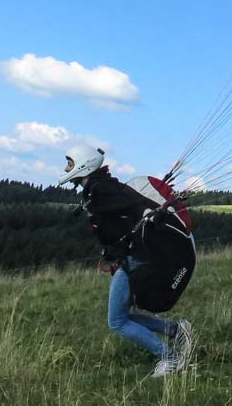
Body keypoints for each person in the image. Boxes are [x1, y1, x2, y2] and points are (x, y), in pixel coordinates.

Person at [59, 144, 194, 377]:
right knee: (121, 317)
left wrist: (146, 214)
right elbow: (118, 225)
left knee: (117, 321)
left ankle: (171, 357)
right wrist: (109, 256)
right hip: (129, 256)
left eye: (70, 164)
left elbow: (131, 206)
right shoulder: (98, 188)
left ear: (83, 164)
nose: (66, 169)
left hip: (134, 259)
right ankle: (176, 330)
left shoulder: (101, 189)